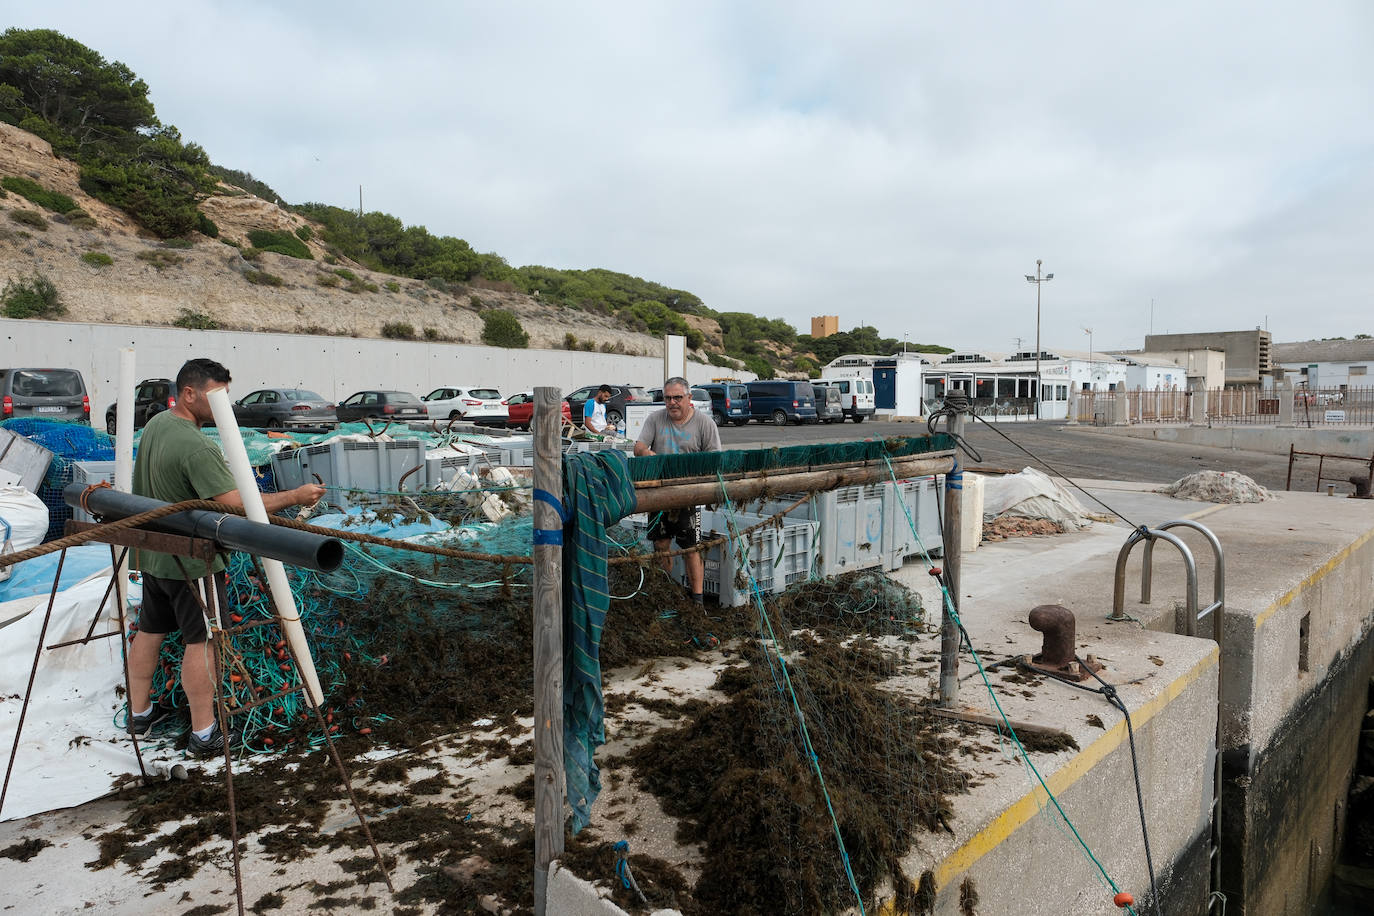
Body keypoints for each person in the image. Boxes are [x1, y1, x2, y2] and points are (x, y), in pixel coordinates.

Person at [126, 358, 325, 757]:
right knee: (202, 640)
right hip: (192, 560)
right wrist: (294, 497)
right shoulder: (197, 446)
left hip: (153, 553)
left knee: (149, 630)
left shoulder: (156, 426)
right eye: (216, 397)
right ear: (188, 394)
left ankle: (140, 715)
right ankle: (204, 734)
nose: (224, 407)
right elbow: (238, 506)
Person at [633, 376, 721, 604]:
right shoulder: (655, 419)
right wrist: (646, 453)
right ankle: (667, 593)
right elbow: (639, 446)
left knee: (691, 547)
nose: (672, 403)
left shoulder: (704, 424)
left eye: (677, 398)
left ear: (689, 398)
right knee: (661, 544)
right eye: (668, 398)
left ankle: (697, 599)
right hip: (659, 495)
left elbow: (714, 458)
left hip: (689, 495)